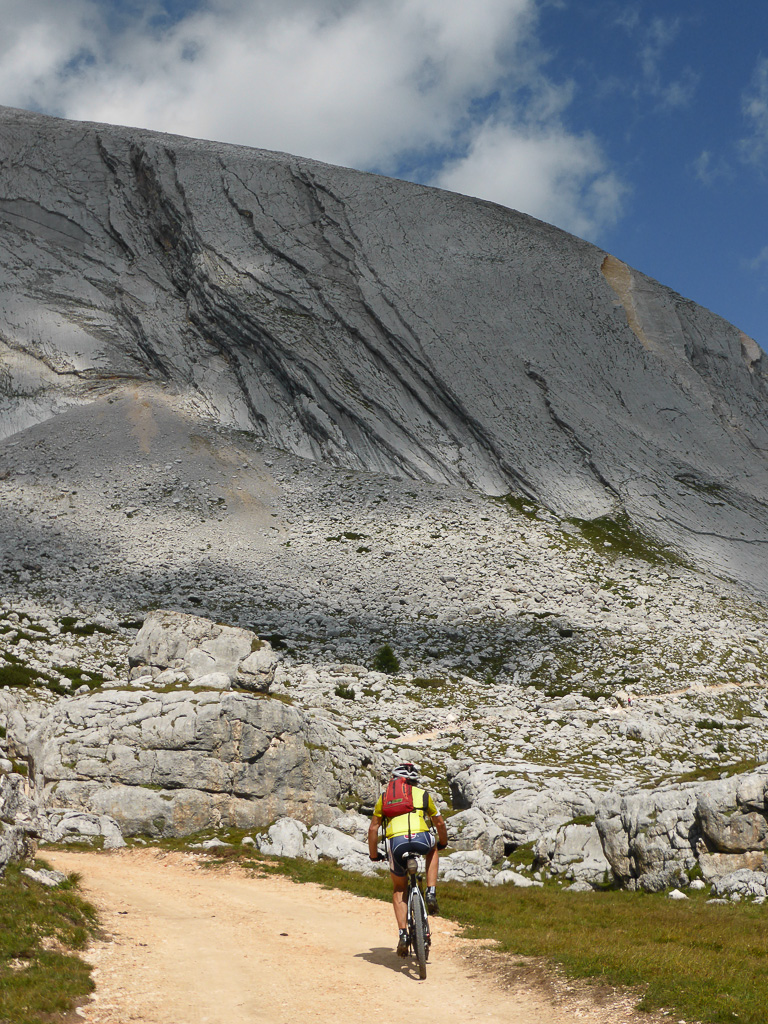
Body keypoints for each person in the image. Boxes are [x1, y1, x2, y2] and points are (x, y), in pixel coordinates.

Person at [368, 762, 449, 957]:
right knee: (433, 849)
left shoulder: (384, 798)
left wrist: (373, 854)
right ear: (415, 781)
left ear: (395, 781)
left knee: (399, 888)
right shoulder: (423, 795)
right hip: (421, 838)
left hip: (396, 843)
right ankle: (431, 892)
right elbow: (439, 823)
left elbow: (373, 829)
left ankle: (403, 933)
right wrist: (443, 843)